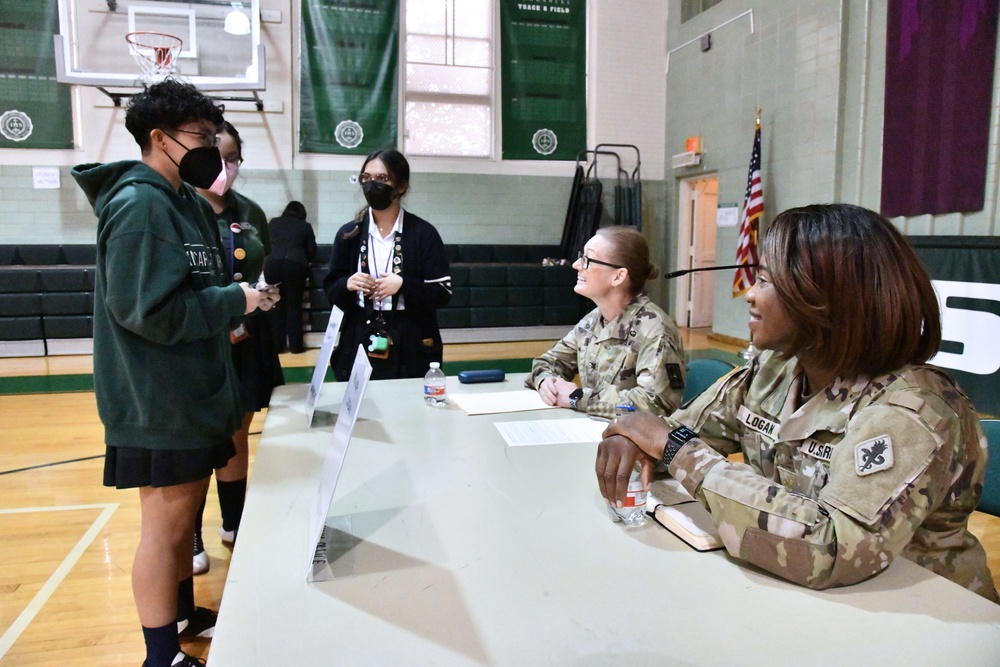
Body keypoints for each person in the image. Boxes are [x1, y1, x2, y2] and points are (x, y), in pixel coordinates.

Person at [597, 203, 998, 602]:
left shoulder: (912, 410)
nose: (750, 295)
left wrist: (675, 449)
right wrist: (634, 442)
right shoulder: (776, 370)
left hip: (924, 616)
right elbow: (678, 433)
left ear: (829, 300)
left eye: (767, 281)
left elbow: (833, 546)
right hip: (805, 598)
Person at [71, 79, 278, 667]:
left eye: (215, 137)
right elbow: (147, 311)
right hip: (158, 400)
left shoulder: (181, 200)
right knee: (165, 533)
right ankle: (161, 656)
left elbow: (195, 286)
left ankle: (182, 614)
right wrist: (232, 302)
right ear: (159, 139)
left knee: (182, 518)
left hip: (191, 391)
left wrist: (229, 297)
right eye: (201, 137)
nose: (211, 148)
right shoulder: (139, 206)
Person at [192, 120, 284, 575]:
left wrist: (265, 294)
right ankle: (189, 532)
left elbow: (260, 267)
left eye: (234, 158)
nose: (226, 167)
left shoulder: (250, 211)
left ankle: (234, 522)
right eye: (218, 157)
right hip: (199, 339)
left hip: (246, 337)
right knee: (197, 438)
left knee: (237, 433)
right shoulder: (181, 206)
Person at [526, 226, 686, 419]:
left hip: (636, 445)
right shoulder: (593, 320)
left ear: (618, 276)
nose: (576, 264)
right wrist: (546, 382)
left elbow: (654, 405)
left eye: (587, 260)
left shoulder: (655, 330)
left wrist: (577, 398)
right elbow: (549, 361)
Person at [323, 149, 451, 381]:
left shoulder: (423, 233)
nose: (372, 185)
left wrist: (403, 285)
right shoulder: (348, 234)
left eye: (382, 179)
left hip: (410, 337)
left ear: (401, 186)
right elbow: (331, 288)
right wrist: (348, 284)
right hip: (360, 333)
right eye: (366, 178)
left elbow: (443, 293)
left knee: (408, 411)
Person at [265, 200, 317, 354]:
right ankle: (296, 346)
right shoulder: (305, 226)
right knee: (294, 306)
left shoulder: (273, 223)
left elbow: (265, 245)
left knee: (276, 305)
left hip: (273, 265)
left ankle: (277, 346)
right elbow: (312, 250)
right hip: (295, 266)